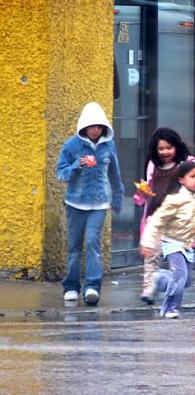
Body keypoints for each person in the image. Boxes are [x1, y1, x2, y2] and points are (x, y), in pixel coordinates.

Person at [56, 101, 124, 305]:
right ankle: (71, 287)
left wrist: (118, 198)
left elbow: (115, 174)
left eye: (99, 126)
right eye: (92, 126)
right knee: (74, 245)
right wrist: (77, 165)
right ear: (84, 126)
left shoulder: (109, 146)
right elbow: (60, 173)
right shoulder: (71, 145)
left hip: (100, 203)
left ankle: (92, 287)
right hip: (75, 203)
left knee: (93, 242)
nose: (95, 130)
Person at [139, 161, 195, 318]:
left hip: (188, 244)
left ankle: (156, 278)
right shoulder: (174, 199)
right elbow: (157, 221)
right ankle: (170, 308)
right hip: (172, 242)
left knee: (185, 281)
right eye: (192, 176)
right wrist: (147, 243)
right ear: (181, 179)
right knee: (179, 276)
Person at [133, 127, 191, 304]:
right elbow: (145, 193)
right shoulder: (153, 166)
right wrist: (141, 194)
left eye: (169, 147)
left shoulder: (186, 166)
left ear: (176, 147)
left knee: (182, 272)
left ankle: (159, 281)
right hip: (155, 219)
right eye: (161, 148)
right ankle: (148, 289)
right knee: (151, 256)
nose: (165, 152)